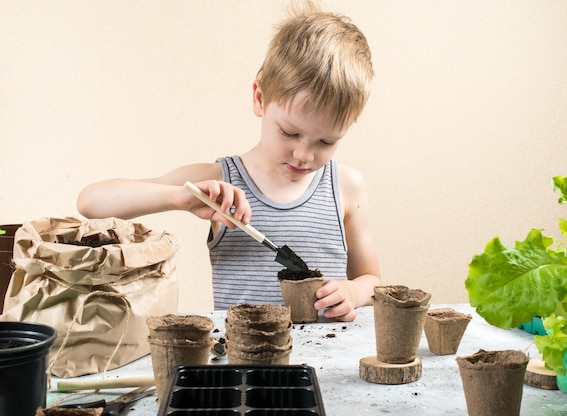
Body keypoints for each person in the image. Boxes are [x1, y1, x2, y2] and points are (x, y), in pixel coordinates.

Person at [76, 1, 381, 322]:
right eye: (290, 133)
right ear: (260, 98)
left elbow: (371, 280)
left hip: (324, 363)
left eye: (326, 141)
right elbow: (91, 202)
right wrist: (179, 197)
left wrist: (353, 292)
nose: (304, 155)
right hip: (243, 362)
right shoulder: (220, 180)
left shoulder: (346, 186)